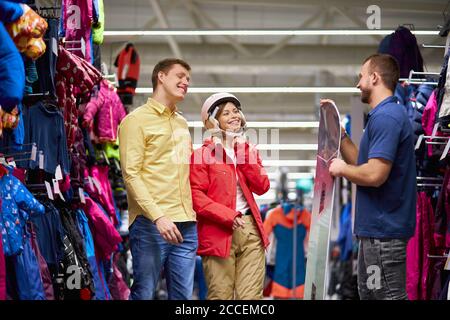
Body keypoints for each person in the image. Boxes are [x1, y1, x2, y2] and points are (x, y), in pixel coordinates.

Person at [325, 53, 416, 300]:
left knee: (385, 296)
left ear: (374, 77)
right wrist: (341, 136)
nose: (358, 84)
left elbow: (375, 174)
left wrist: (341, 169)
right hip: (375, 234)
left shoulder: (387, 117)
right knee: (371, 295)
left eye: (361, 77)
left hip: (383, 234)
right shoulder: (381, 116)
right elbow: (364, 164)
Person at [118, 58, 197, 300]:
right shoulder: (135, 121)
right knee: (144, 293)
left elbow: (187, 171)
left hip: (186, 224)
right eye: (180, 76)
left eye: (188, 80)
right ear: (161, 77)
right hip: (151, 224)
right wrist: (158, 216)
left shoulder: (181, 123)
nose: (186, 82)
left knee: (183, 298)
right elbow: (131, 174)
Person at [189, 93, 270, 299]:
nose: (234, 115)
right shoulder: (201, 155)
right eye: (226, 113)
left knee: (251, 298)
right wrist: (226, 215)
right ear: (213, 120)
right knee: (221, 295)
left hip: (250, 229)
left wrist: (242, 149)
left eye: (235, 111)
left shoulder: (248, 150)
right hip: (218, 233)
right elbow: (196, 196)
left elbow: (262, 186)